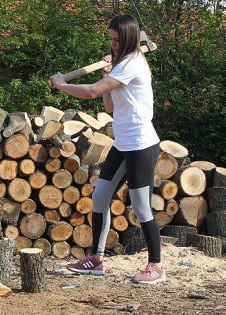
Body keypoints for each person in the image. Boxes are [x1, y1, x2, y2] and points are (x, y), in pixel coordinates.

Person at [50, 14, 164, 284]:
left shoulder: (133, 64)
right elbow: (109, 106)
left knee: (140, 206)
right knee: (100, 196)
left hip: (141, 144)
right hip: (123, 143)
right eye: (110, 39)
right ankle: (96, 260)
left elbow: (90, 91)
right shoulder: (121, 64)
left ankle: (156, 266)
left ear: (128, 39)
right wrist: (107, 76)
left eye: (117, 40)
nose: (112, 44)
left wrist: (62, 85)